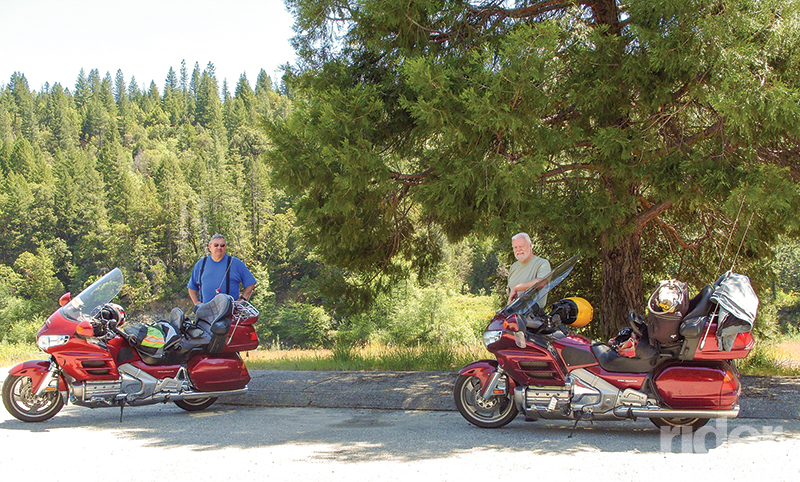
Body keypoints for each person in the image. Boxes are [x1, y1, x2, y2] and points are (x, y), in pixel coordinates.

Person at [188, 234, 256, 306]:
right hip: (206, 313)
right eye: (216, 245)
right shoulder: (201, 264)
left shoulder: (235, 263)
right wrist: (197, 303)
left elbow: (251, 283)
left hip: (229, 313)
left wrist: (243, 299)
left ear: (225, 247)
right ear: (210, 247)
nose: (219, 248)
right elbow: (192, 287)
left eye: (222, 245)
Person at [507, 232, 551, 308]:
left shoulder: (542, 263)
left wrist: (517, 288)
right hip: (513, 315)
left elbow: (542, 282)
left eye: (522, 246)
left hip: (532, 316)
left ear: (530, 245)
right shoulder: (513, 267)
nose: (519, 250)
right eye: (515, 247)